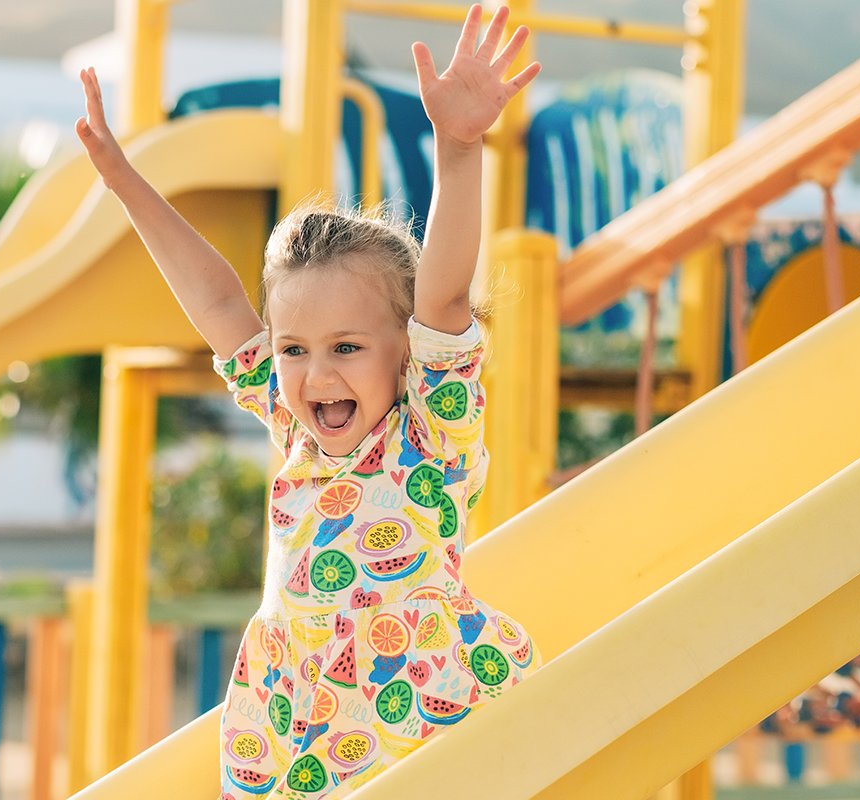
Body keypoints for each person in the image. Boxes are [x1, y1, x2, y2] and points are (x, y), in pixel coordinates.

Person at [76, 5, 541, 797]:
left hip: (417, 726)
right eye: (294, 350)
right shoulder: (294, 427)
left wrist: (460, 153)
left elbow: (446, 290)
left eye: (347, 348)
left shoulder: (429, 431)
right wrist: (125, 184)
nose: (316, 376)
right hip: (301, 730)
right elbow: (222, 304)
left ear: (407, 352)